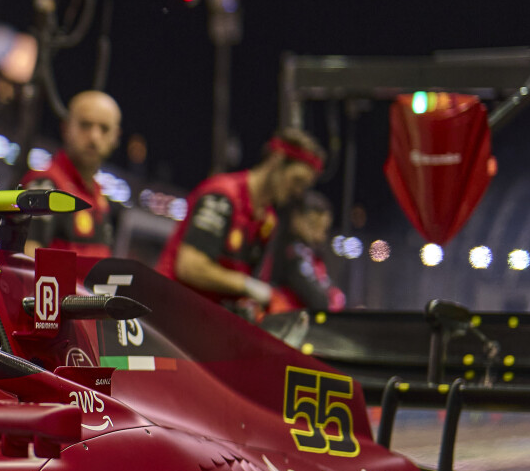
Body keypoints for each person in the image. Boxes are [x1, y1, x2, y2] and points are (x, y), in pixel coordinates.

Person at [157, 129, 324, 315]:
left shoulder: (267, 220)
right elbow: (189, 266)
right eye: (297, 181)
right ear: (276, 160)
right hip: (170, 314)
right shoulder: (223, 195)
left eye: (304, 186)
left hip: (208, 320)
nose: (298, 192)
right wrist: (247, 286)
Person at [23, 89, 121, 258]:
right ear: (66, 128)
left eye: (104, 129)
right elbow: (27, 259)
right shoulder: (45, 186)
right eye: (85, 125)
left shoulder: (99, 195)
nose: (94, 137)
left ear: (116, 137)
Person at [266, 191, 346, 314]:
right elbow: (318, 301)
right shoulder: (292, 252)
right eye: (313, 226)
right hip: (285, 320)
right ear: (296, 218)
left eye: (324, 230)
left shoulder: (312, 254)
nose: (319, 237)